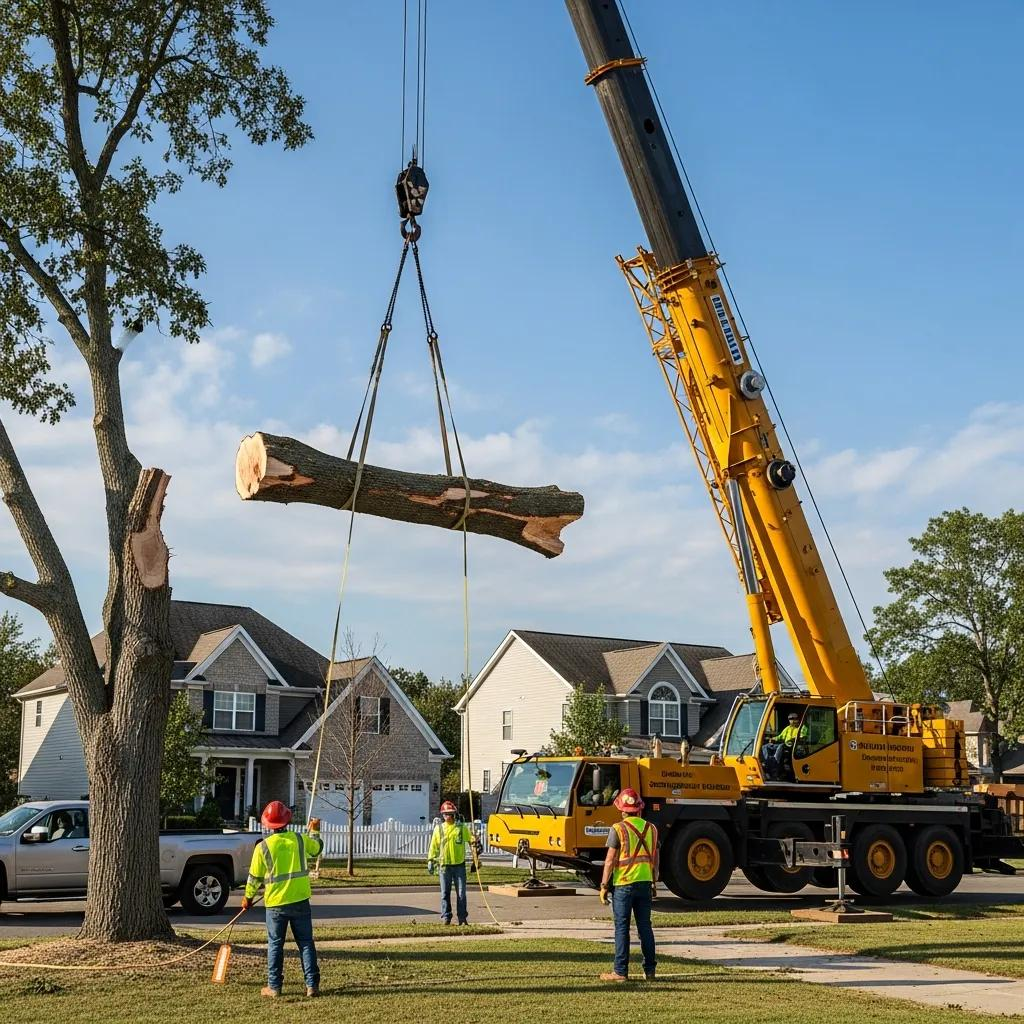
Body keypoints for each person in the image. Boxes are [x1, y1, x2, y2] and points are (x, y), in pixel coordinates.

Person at [241, 801, 324, 998]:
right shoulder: (300, 839)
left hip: (276, 904)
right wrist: (315, 831)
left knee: (275, 944)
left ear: (267, 824)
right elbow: (317, 848)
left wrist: (247, 898)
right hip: (300, 900)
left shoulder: (262, 848)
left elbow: (254, 878)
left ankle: (274, 986)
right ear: (287, 820)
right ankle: (312, 986)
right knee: (305, 943)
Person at [598, 788, 658, 982]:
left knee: (622, 928)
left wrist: (604, 885)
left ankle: (620, 972)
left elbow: (609, 860)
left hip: (624, 884)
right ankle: (650, 970)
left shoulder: (618, 829)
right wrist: (654, 881)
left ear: (622, 810)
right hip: (645, 884)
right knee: (645, 928)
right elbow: (655, 860)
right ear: (639, 808)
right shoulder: (652, 829)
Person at [427, 800, 481, 925]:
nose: (448, 816)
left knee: (461, 893)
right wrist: (430, 859)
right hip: (444, 866)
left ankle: (462, 918)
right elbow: (433, 846)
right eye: (446, 814)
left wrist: (476, 853)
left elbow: (472, 842)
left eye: (450, 814)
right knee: (444, 893)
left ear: (454, 814)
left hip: (459, 866)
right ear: (442, 815)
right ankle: (446, 916)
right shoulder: (438, 829)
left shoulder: (462, 828)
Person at [762, 712, 807, 779]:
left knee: (781, 746)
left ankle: (775, 761)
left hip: (795, 746)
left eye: (794, 719)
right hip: (786, 745)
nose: (792, 721)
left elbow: (803, 737)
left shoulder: (802, 727)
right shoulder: (787, 728)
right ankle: (767, 761)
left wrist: (793, 739)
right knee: (766, 746)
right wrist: (772, 739)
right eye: (790, 719)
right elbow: (780, 737)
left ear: (798, 719)